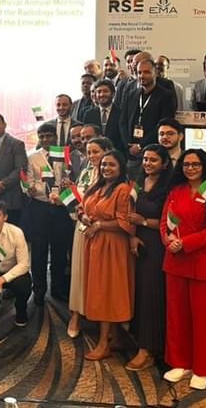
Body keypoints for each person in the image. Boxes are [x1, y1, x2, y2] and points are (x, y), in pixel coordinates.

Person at [161, 148, 206, 391]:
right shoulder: (176, 190)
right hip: (176, 261)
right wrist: (168, 240)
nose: (190, 168)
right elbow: (165, 221)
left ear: (204, 166)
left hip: (203, 263)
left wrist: (186, 243)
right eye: (186, 164)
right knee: (177, 316)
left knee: (203, 319)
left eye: (195, 164)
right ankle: (180, 363)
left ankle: (202, 369)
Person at [78, 149, 135, 359]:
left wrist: (100, 225)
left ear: (120, 167)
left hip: (113, 247)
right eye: (103, 164)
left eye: (111, 164)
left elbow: (125, 221)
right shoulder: (98, 186)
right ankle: (115, 337)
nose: (106, 168)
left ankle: (104, 343)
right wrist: (83, 217)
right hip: (95, 244)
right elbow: (82, 207)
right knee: (99, 290)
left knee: (108, 292)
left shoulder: (123, 189)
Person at [125, 144, 172, 370]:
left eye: (153, 160)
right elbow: (129, 211)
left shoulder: (170, 187)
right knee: (139, 293)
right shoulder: (138, 181)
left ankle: (149, 349)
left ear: (164, 164)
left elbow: (170, 222)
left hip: (157, 245)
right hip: (138, 243)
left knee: (151, 296)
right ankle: (138, 340)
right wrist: (133, 236)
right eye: (145, 159)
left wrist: (143, 222)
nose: (147, 163)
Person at [67, 136, 113, 339]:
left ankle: (101, 317)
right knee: (79, 271)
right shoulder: (85, 172)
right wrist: (77, 209)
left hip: (103, 230)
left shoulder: (112, 174)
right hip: (82, 227)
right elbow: (79, 200)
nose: (92, 156)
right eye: (89, 152)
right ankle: (76, 315)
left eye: (96, 151)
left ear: (107, 151)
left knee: (99, 275)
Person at [24, 122, 72, 304]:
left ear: (55, 137)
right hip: (40, 208)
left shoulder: (64, 154)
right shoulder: (32, 157)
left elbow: (69, 177)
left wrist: (61, 194)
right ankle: (38, 289)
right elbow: (29, 182)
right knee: (39, 250)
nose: (45, 139)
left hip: (61, 208)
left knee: (59, 250)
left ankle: (57, 288)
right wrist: (43, 192)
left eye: (49, 136)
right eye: (42, 136)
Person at [120, 59, 177, 180]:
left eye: (146, 72)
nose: (142, 76)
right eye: (139, 72)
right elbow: (123, 122)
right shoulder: (131, 94)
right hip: (132, 154)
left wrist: (141, 146)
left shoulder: (166, 96)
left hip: (154, 152)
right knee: (133, 187)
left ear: (155, 73)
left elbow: (163, 125)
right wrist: (129, 145)